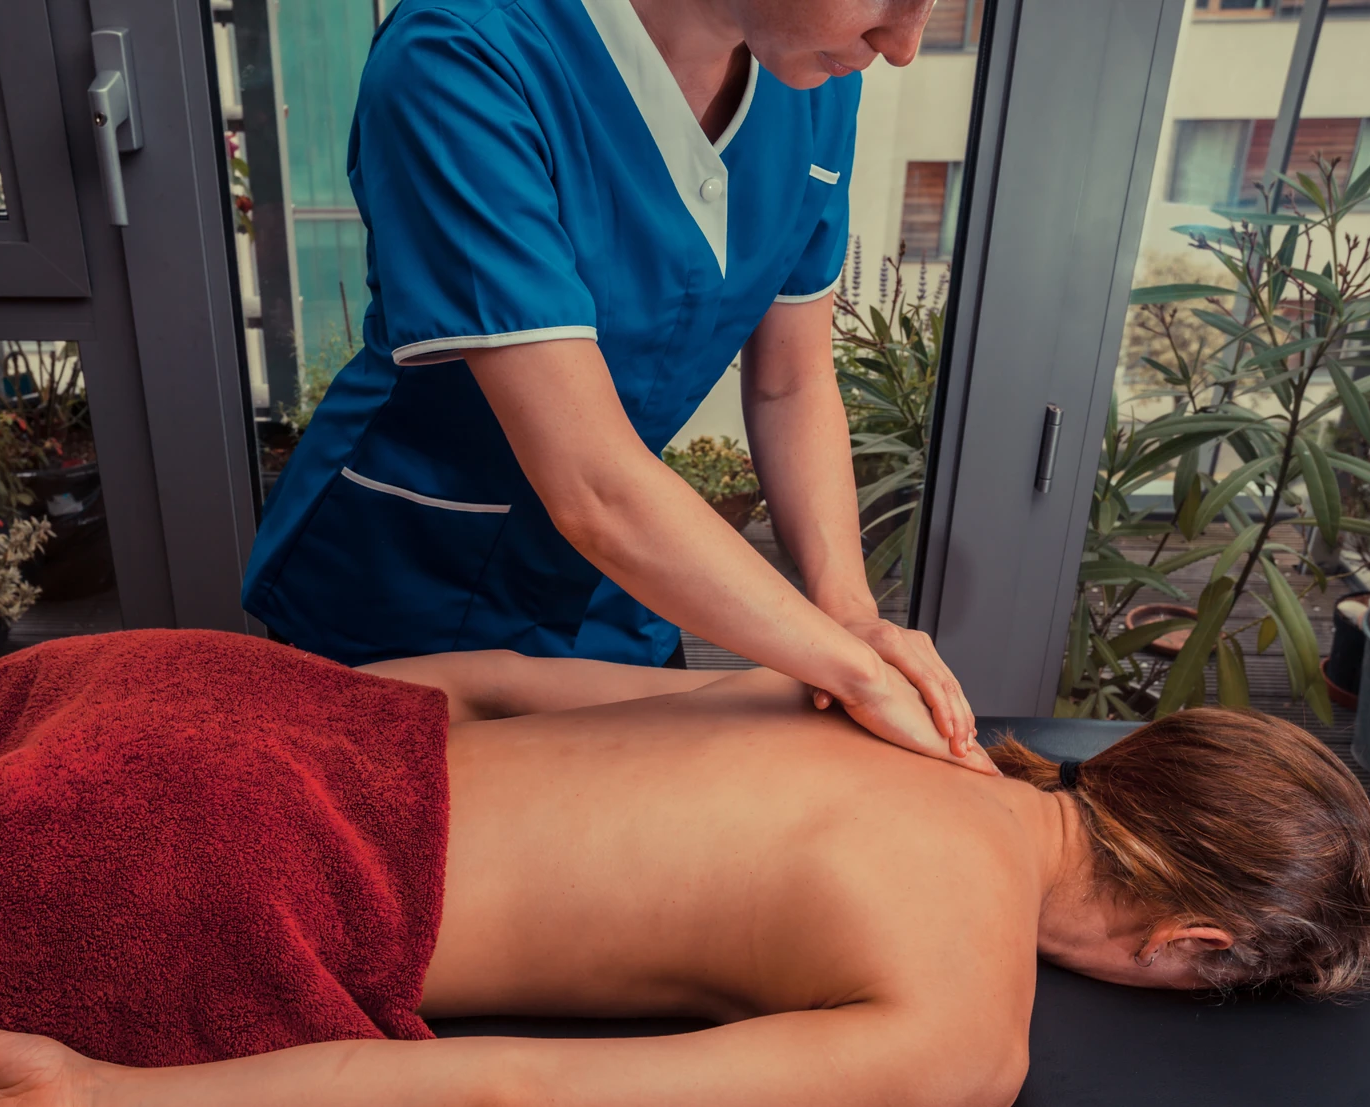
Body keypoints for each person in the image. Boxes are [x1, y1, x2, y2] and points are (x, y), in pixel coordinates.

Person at [0, 647, 1370, 1107]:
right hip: (213, 869)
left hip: (208, 698)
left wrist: (227, 725)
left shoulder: (875, 700)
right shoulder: (962, 1036)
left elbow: (494, 680)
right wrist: (92, 1103)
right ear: (1194, 950)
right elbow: (506, 1103)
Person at [239, 0, 990, 773]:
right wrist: (858, 672)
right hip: (404, 583)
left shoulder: (815, 81)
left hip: (626, 588)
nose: (903, 46)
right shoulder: (462, 54)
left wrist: (852, 617)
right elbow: (592, 486)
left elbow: (790, 384)